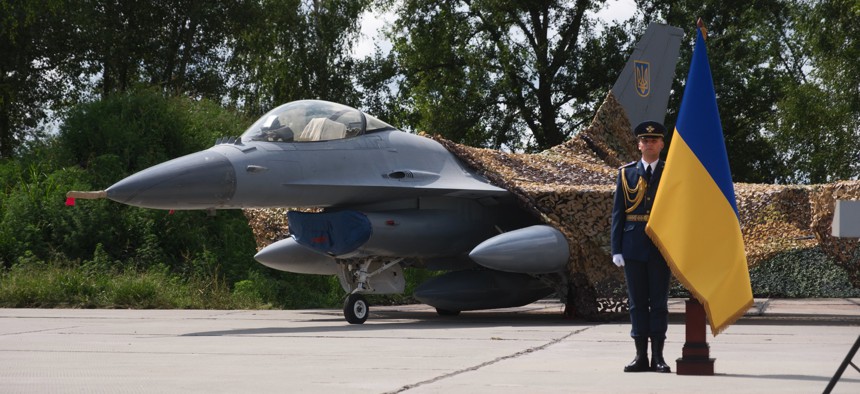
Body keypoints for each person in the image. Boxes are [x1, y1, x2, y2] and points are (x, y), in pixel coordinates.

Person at [610, 120, 672, 373]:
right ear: (639, 145)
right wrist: (616, 249)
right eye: (645, 141)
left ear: (662, 144)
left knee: (658, 302)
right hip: (633, 245)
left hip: (661, 246)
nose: (649, 144)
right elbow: (618, 214)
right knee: (636, 303)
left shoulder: (671, 172)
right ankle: (640, 356)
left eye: (654, 140)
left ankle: (658, 356)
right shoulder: (626, 173)